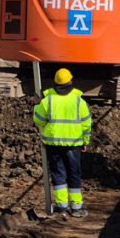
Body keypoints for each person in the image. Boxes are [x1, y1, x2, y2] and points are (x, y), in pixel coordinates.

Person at [33, 68, 92, 217]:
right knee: (74, 174)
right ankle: (76, 207)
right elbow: (86, 124)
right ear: (70, 81)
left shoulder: (48, 100)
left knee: (58, 174)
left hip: (53, 144)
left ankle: (61, 206)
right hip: (74, 145)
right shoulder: (79, 101)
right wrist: (85, 141)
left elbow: (39, 120)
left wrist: (37, 107)